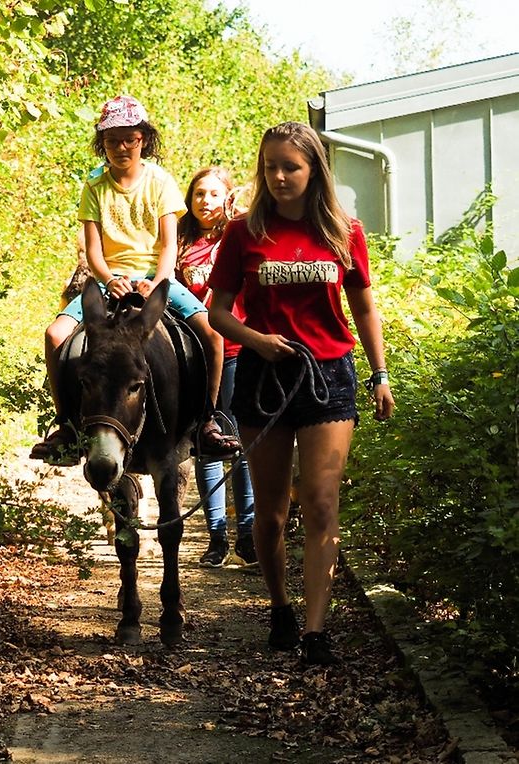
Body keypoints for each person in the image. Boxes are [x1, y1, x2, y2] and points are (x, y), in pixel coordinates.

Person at [208, 121, 395, 666]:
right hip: (264, 377)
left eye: (291, 166)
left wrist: (380, 374)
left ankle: (315, 632)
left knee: (320, 500)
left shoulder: (343, 231)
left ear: (314, 171)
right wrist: (256, 341)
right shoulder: (243, 232)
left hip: (328, 376)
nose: (279, 176)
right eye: (270, 167)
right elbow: (218, 312)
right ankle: (280, 606)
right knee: (270, 513)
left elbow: (363, 307)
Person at [30, 95, 240, 465]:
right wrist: (108, 278)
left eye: (130, 139)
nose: (121, 147)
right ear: (103, 143)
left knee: (211, 333)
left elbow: (169, 244)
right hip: (110, 279)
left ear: (143, 139)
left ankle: (205, 421)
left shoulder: (160, 182)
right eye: (112, 140)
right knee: (55, 335)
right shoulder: (94, 186)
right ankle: (66, 426)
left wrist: (158, 282)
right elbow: (93, 249)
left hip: (155, 279)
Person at [176, 167, 256, 569]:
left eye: (213, 194)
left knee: (239, 441)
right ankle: (216, 537)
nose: (205, 201)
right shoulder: (180, 241)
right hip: (196, 357)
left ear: (228, 198)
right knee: (206, 442)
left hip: (239, 350)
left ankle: (248, 535)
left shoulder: (239, 234)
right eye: (198, 194)